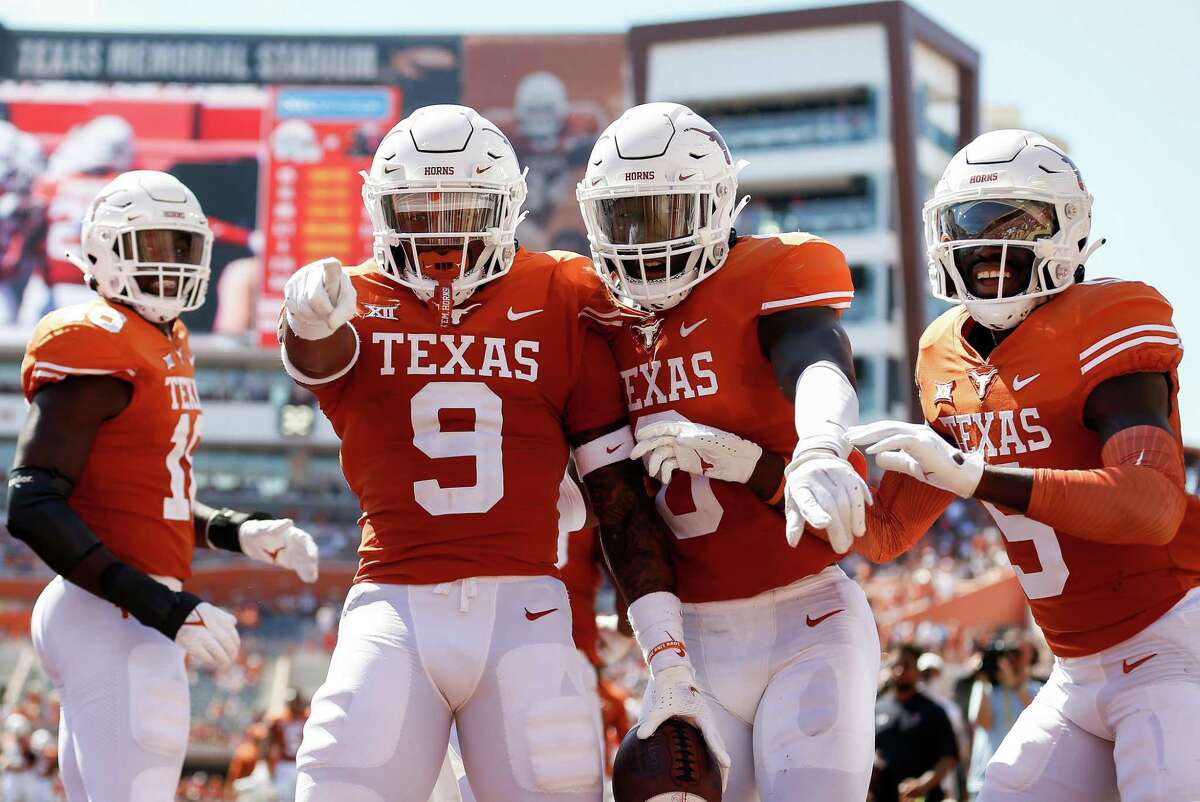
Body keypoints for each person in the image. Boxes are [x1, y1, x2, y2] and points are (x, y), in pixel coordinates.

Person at [281, 104, 695, 802]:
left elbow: (615, 489)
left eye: (462, 209)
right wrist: (303, 320)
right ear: (383, 213)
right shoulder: (349, 301)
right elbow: (319, 358)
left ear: (506, 208)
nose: (441, 234)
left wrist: (667, 647)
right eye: (419, 211)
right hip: (393, 610)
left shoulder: (561, 292)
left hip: (526, 609)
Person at [845, 129, 1200, 801]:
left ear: (1069, 226)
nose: (989, 245)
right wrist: (788, 467)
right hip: (1075, 671)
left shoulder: (1108, 319)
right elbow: (886, 533)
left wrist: (974, 476)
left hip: (1173, 647)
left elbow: (1153, 506)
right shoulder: (942, 353)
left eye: (1018, 219)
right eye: (969, 223)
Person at [576, 102, 880, 801]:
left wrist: (822, 444)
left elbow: (817, 361)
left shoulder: (769, 275)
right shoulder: (597, 314)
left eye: (667, 214)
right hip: (691, 638)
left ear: (717, 204)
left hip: (808, 618)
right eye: (628, 217)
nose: (646, 242)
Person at [5, 169, 319, 802]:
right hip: (115, 614)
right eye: (150, 245)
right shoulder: (94, 339)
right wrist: (165, 608)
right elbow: (32, 502)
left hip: (110, 612)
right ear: (103, 250)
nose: (170, 264)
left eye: (181, 247)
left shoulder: (165, 341)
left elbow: (150, 497)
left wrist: (238, 531)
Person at [874, 644, 960, 802]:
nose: (900, 671)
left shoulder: (934, 711)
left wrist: (923, 784)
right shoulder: (877, 708)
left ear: (918, 670)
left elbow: (949, 757)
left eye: (906, 666)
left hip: (925, 798)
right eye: (895, 665)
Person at [966, 640, 1041, 799]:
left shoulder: (1035, 689)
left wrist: (1014, 684)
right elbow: (984, 723)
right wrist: (983, 679)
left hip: (1023, 782)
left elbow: (1039, 718)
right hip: (985, 779)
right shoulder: (983, 688)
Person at [267, 689, 308, 801]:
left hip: (302, 764)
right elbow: (270, 743)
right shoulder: (278, 719)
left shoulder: (307, 717)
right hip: (285, 763)